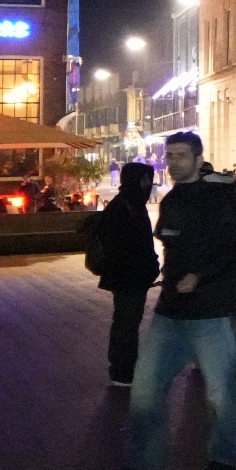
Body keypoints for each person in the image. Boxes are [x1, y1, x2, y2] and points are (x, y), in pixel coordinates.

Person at [123, 132, 236, 470]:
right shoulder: (171, 200)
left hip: (209, 312)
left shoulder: (220, 200)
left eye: (180, 156)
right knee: (145, 392)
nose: (173, 162)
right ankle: (147, 461)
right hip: (170, 311)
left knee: (221, 394)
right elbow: (167, 241)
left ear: (197, 159)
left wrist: (199, 275)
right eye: (170, 155)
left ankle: (225, 455)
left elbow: (232, 248)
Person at [94, 162, 162, 387]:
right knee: (127, 321)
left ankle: (124, 367)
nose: (148, 184)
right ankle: (122, 370)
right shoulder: (128, 206)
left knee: (127, 320)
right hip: (129, 275)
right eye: (145, 179)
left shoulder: (125, 203)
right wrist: (148, 265)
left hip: (128, 274)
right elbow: (134, 243)